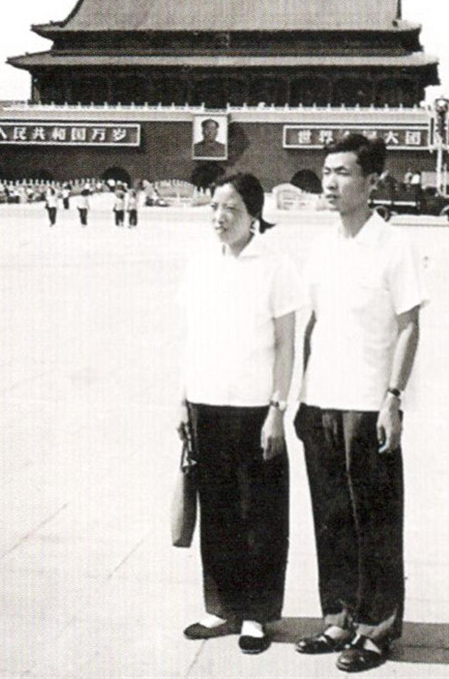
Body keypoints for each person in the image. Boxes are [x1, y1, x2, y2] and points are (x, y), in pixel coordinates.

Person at [294, 134, 427, 673]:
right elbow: (315, 324)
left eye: (343, 172)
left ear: (372, 181)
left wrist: (393, 398)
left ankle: (376, 630)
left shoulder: (394, 246)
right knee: (330, 520)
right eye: (327, 172)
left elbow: (409, 326)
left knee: (375, 522)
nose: (330, 182)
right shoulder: (321, 246)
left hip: (368, 404)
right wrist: (302, 396)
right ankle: (339, 618)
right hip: (321, 402)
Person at [176, 172, 303, 655]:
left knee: (261, 514)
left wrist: (277, 408)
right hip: (205, 403)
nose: (220, 217)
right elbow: (191, 338)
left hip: (254, 407)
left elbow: (287, 345)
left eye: (231, 208)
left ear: (254, 216)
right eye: (214, 207)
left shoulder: (276, 266)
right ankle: (222, 606)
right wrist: (182, 398)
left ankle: (257, 613)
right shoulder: (200, 263)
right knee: (218, 510)